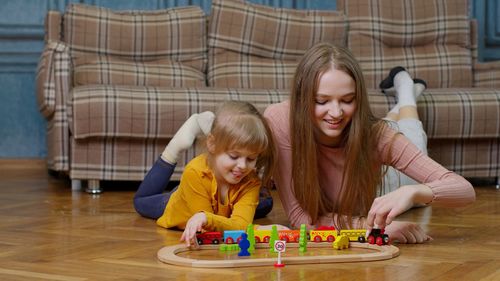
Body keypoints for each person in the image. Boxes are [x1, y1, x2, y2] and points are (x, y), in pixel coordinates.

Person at [263, 42, 476, 244]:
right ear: (302, 96)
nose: (336, 112)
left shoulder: (378, 135)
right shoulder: (281, 119)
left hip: (393, 184)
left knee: (411, 135)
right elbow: (301, 220)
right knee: (383, 126)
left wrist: (413, 192)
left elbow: (464, 190)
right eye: (322, 101)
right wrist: (369, 227)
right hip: (368, 156)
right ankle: (405, 94)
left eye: (348, 100)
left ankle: (405, 89)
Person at [134, 101, 276, 246]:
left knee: (266, 203)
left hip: (219, 206)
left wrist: (250, 228)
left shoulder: (251, 181)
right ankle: (173, 149)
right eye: (234, 156)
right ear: (212, 145)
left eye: (251, 158)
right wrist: (257, 230)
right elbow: (206, 231)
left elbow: (240, 225)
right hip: (183, 199)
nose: (242, 166)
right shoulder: (194, 172)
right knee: (140, 202)